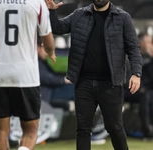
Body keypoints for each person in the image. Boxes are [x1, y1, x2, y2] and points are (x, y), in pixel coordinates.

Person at [45, 0, 142, 150]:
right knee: (83, 129)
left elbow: (134, 48)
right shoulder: (79, 14)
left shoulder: (123, 18)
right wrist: (51, 11)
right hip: (83, 82)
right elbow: (57, 27)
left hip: (111, 83)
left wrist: (136, 73)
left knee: (115, 127)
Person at [0, 0, 55, 150]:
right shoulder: (37, 3)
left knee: (1, 133)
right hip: (26, 76)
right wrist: (51, 53)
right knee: (30, 131)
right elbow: (47, 41)